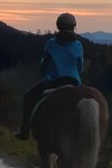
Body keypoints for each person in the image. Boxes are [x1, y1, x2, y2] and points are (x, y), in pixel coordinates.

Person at [17, 12, 85, 140]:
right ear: (73, 27)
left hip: (53, 81)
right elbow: (80, 66)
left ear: (58, 26)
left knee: (29, 97)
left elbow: (43, 63)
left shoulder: (51, 43)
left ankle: (25, 130)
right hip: (74, 82)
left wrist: (44, 74)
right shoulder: (78, 45)